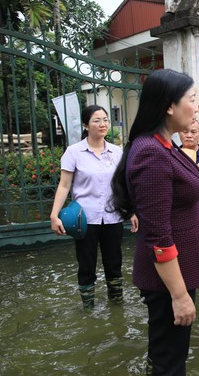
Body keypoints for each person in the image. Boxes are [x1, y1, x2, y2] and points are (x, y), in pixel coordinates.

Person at [110, 69, 199, 375]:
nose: (195, 107)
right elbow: (158, 237)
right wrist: (179, 296)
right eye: (191, 99)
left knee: (167, 356)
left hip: (177, 274)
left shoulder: (164, 145)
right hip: (168, 282)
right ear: (170, 106)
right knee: (170, 363)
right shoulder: (152, 153)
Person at [50, 105, 138, 308]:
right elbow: (64, 186)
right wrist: (55, 215)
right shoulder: (74, 152)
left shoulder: (116, 152)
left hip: (112, 217)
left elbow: (122, 185)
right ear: (86, 125)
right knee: (86, 265)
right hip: (84, 219)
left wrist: (131, 210)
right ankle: (88, 308)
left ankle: (117, 305)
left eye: (105, 119)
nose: (103, 124)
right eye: (97, 120)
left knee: (114, 264)